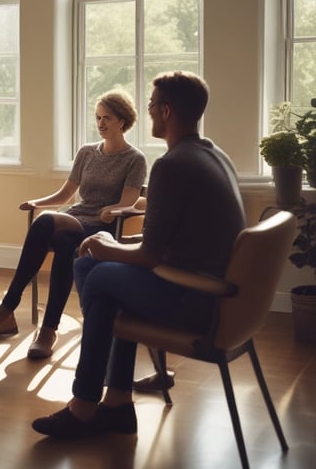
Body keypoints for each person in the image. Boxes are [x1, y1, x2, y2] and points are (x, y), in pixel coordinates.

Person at [31, 71, 245, 440]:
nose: (147, 113)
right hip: (219, 296)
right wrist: (108, 245)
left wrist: (107, 246)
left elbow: (149, 256)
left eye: (150, 106)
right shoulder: (213, 154)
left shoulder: (172, 165)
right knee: (91, 265)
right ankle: (115, 401)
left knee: (97, 279)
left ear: (166, 109)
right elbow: (165, 242)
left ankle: (86, 405)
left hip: (197, 303)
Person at [0, 90, 146, 359]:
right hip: (76, 219)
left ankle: (8, 311)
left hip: (102, 229)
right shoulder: (87, 152)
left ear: (122, 121)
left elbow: (129, 202)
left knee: (47, 224)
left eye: (107, 118)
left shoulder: (134, 159)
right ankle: (47, 330)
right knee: (62, 240)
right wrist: (36, 202)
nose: (100, 124)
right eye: (98, 118)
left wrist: (112, 210)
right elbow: (66, 195)